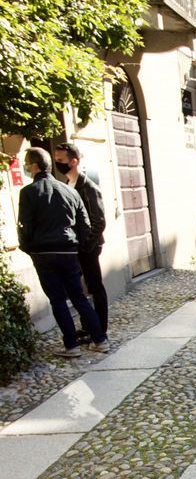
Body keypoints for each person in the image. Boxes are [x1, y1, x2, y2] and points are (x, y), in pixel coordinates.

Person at [16, 147, 109, 357]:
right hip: (68, 252)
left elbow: (25, 225)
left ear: (33, 166)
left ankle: (72, 346)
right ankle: (100, 340)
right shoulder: (69, 190)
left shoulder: (29, 192)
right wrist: (78, 246)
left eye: (27, 163)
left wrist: (27, 248)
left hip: (43, 254)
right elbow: (85, 224)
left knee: (58, 300)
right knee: (79, 297)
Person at [53, 141, 108, 340]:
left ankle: (100, 329)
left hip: (89, 247)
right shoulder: (67, 185)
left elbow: (99, 220)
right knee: (82, 289)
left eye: (61, 160)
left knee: (95, 287)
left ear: (74, 161)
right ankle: (88, 327)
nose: (57, 163)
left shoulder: (88, 187)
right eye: (56, 160)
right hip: (76, 247)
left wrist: (87, 246)